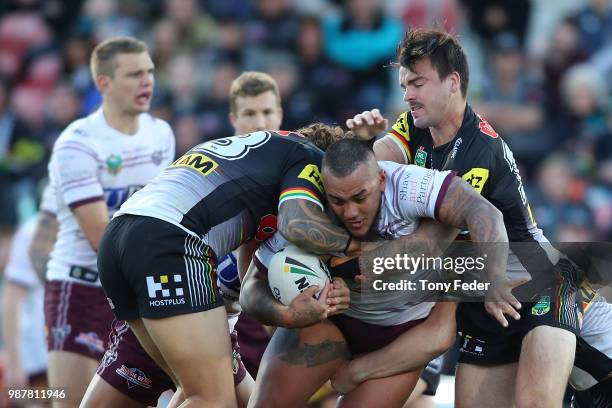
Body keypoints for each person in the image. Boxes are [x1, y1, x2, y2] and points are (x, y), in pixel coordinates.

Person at [345, 28, 582, 407]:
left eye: (418, 84)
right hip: (480, 295)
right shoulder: (412, 125)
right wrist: (362, 147)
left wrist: (360, 269)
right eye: (404, 84)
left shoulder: (479, 151)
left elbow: (427, 245)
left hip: (536, 281)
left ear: (452, 83)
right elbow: (374, 175)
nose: (407, 95)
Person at [97, 123, 357, 407]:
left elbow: (247, 282)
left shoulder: (262, 156)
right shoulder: (310, 157)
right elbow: (298, 223)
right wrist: (360, 246)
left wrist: (287, 313)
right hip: (169, 242)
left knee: (195, 389)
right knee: (214, 399)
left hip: (118, 239)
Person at [242, 138, 513, 408]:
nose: (351, 212)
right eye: (338, 200)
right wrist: (289, 315)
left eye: (361, 197)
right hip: (332, 322)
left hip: (401, 338)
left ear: (381, 179)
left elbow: (484, 211)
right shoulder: (309, 211)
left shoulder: (409, 186)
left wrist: (495, 275)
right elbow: (250, 289)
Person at [44, 36, 175, 407]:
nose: (147, 82)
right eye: (134, 74)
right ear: (104, 83)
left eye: (150, 71)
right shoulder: (78, 144)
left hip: (135, 286)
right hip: (83, 289)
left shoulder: (161, 134)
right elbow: (101, 238)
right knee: (68, 402)